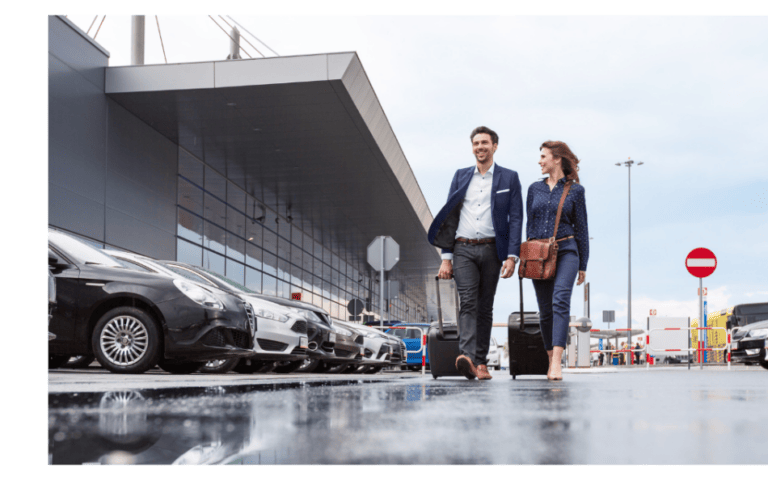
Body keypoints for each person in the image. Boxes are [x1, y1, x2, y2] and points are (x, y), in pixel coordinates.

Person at [428, 126, 524, 380]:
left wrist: (513, 256)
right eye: (475, 143)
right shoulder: (461, 176)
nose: (480, 147)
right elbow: (450, 216)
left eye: (484, 142)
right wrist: (446, 258)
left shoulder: (509, 178)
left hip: (493, 250)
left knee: (485, 307)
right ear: (472, 147)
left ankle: (481, 363)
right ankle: (467, 358)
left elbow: (516, 219)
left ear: (494, 146)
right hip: (463, 249)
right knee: (468, 301)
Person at [526, 141, 589, 380]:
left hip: (566, 250)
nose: (540, 161)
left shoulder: (576, 191)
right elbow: (529, 226)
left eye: (543, 156)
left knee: (560, 300)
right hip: (539, 253)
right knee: (545, 311)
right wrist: (528, 256)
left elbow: (582, 228)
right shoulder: (534, 188)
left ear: (557, 159)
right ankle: (550, 356)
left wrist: (583, 264)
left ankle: (556, 363)